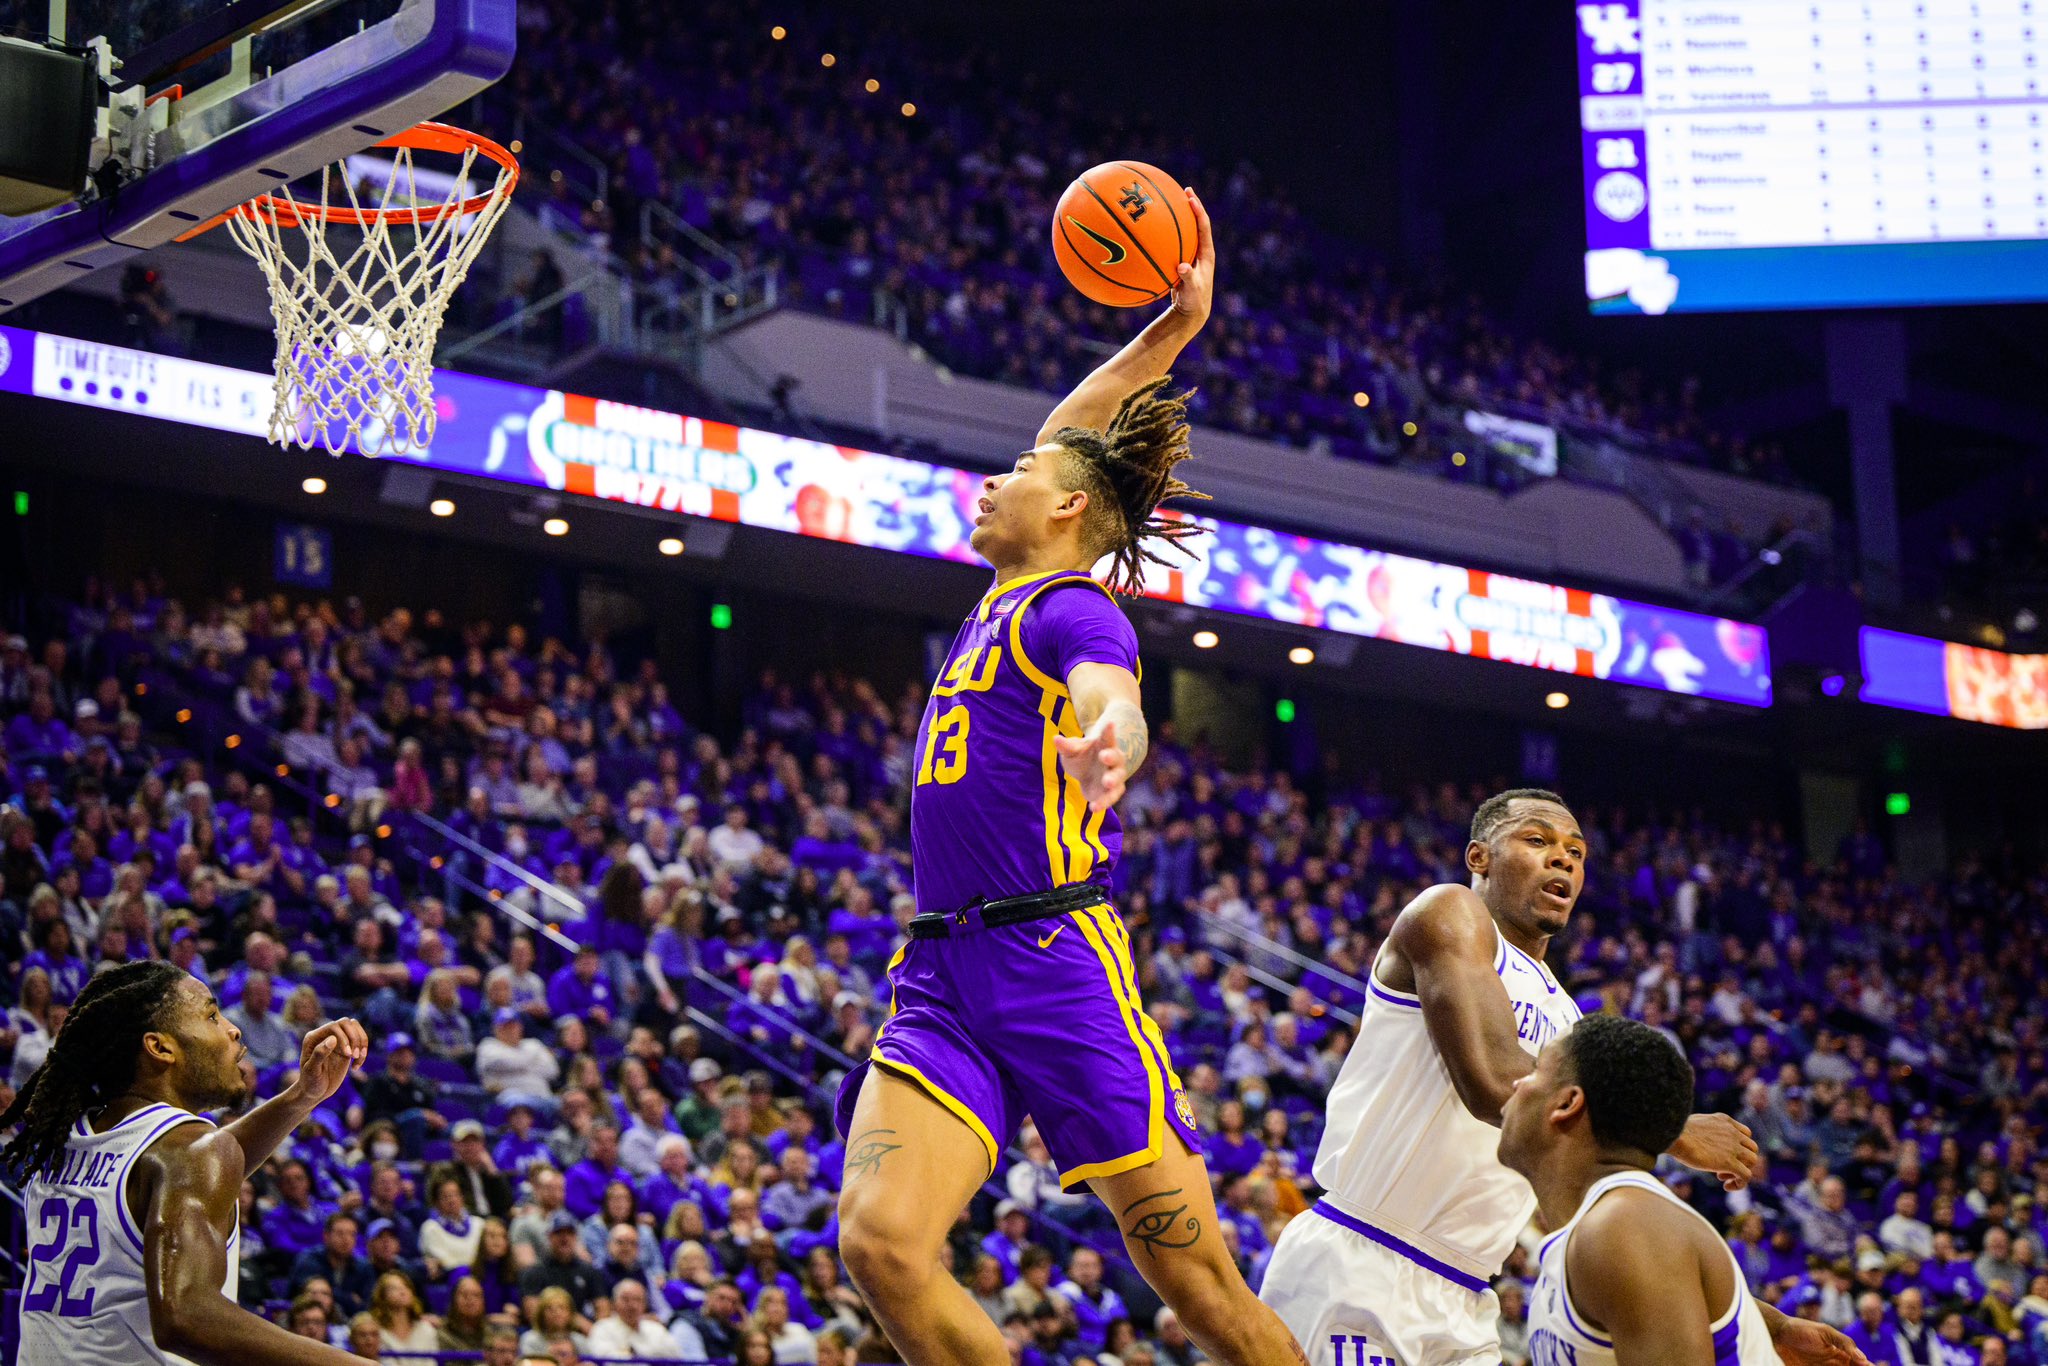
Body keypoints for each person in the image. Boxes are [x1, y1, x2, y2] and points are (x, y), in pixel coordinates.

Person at [831, 190, 1298, 1366]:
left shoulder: (1072, 606)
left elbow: (1112, 695)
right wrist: (1172, 330)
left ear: (1071, 507)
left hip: (1056, 966)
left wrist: (1113, 743)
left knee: (1202, 1294)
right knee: (879, 1247)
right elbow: (1079, 421)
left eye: (1019, 471)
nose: (988, 482)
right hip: (941, 967)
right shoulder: (1011, 585)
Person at [1257, 789, 1759, 1366]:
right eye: (1538, 840)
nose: (1563, 859)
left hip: (1467, 1300)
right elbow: (1493, 1084)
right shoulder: (1448, 913)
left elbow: (1594, 1204)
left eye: (1576, 851)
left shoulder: (1570, 1020)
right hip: (1363, 1261)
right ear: (1480, 858)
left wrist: (1749, 1319)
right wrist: (1668, 1128)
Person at [1, 958, 370, 1364]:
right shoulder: (186, 1151)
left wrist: (305, 1094)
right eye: (211, 1015)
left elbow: (191, 1168)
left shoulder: (67, 1140)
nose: (233, 1029)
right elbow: (185, 1317)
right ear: (160, 1047)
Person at [1498, 1014, 1869, 1366]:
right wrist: (1775, 1326)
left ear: (1567, 1104)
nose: (1514, 1084)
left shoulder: (1624, 1228)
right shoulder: (1614, 1229)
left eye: (1533, 1072)